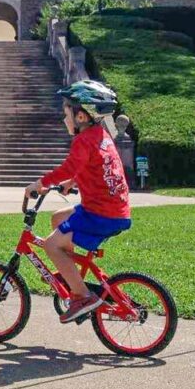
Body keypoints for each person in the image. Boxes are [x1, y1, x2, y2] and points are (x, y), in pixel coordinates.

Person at [25, 79, 131, 324]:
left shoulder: (83, 140)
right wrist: (73, 182)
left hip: (100, 214)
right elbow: (96, 166)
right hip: (112, 210)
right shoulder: (101, 136)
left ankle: (82, 296)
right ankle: (70, 275)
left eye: (66, 113)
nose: (65, 119)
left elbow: (71, 165)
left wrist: (39, 184)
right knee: (57, 218)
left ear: (81, 116)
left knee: (52, 246)